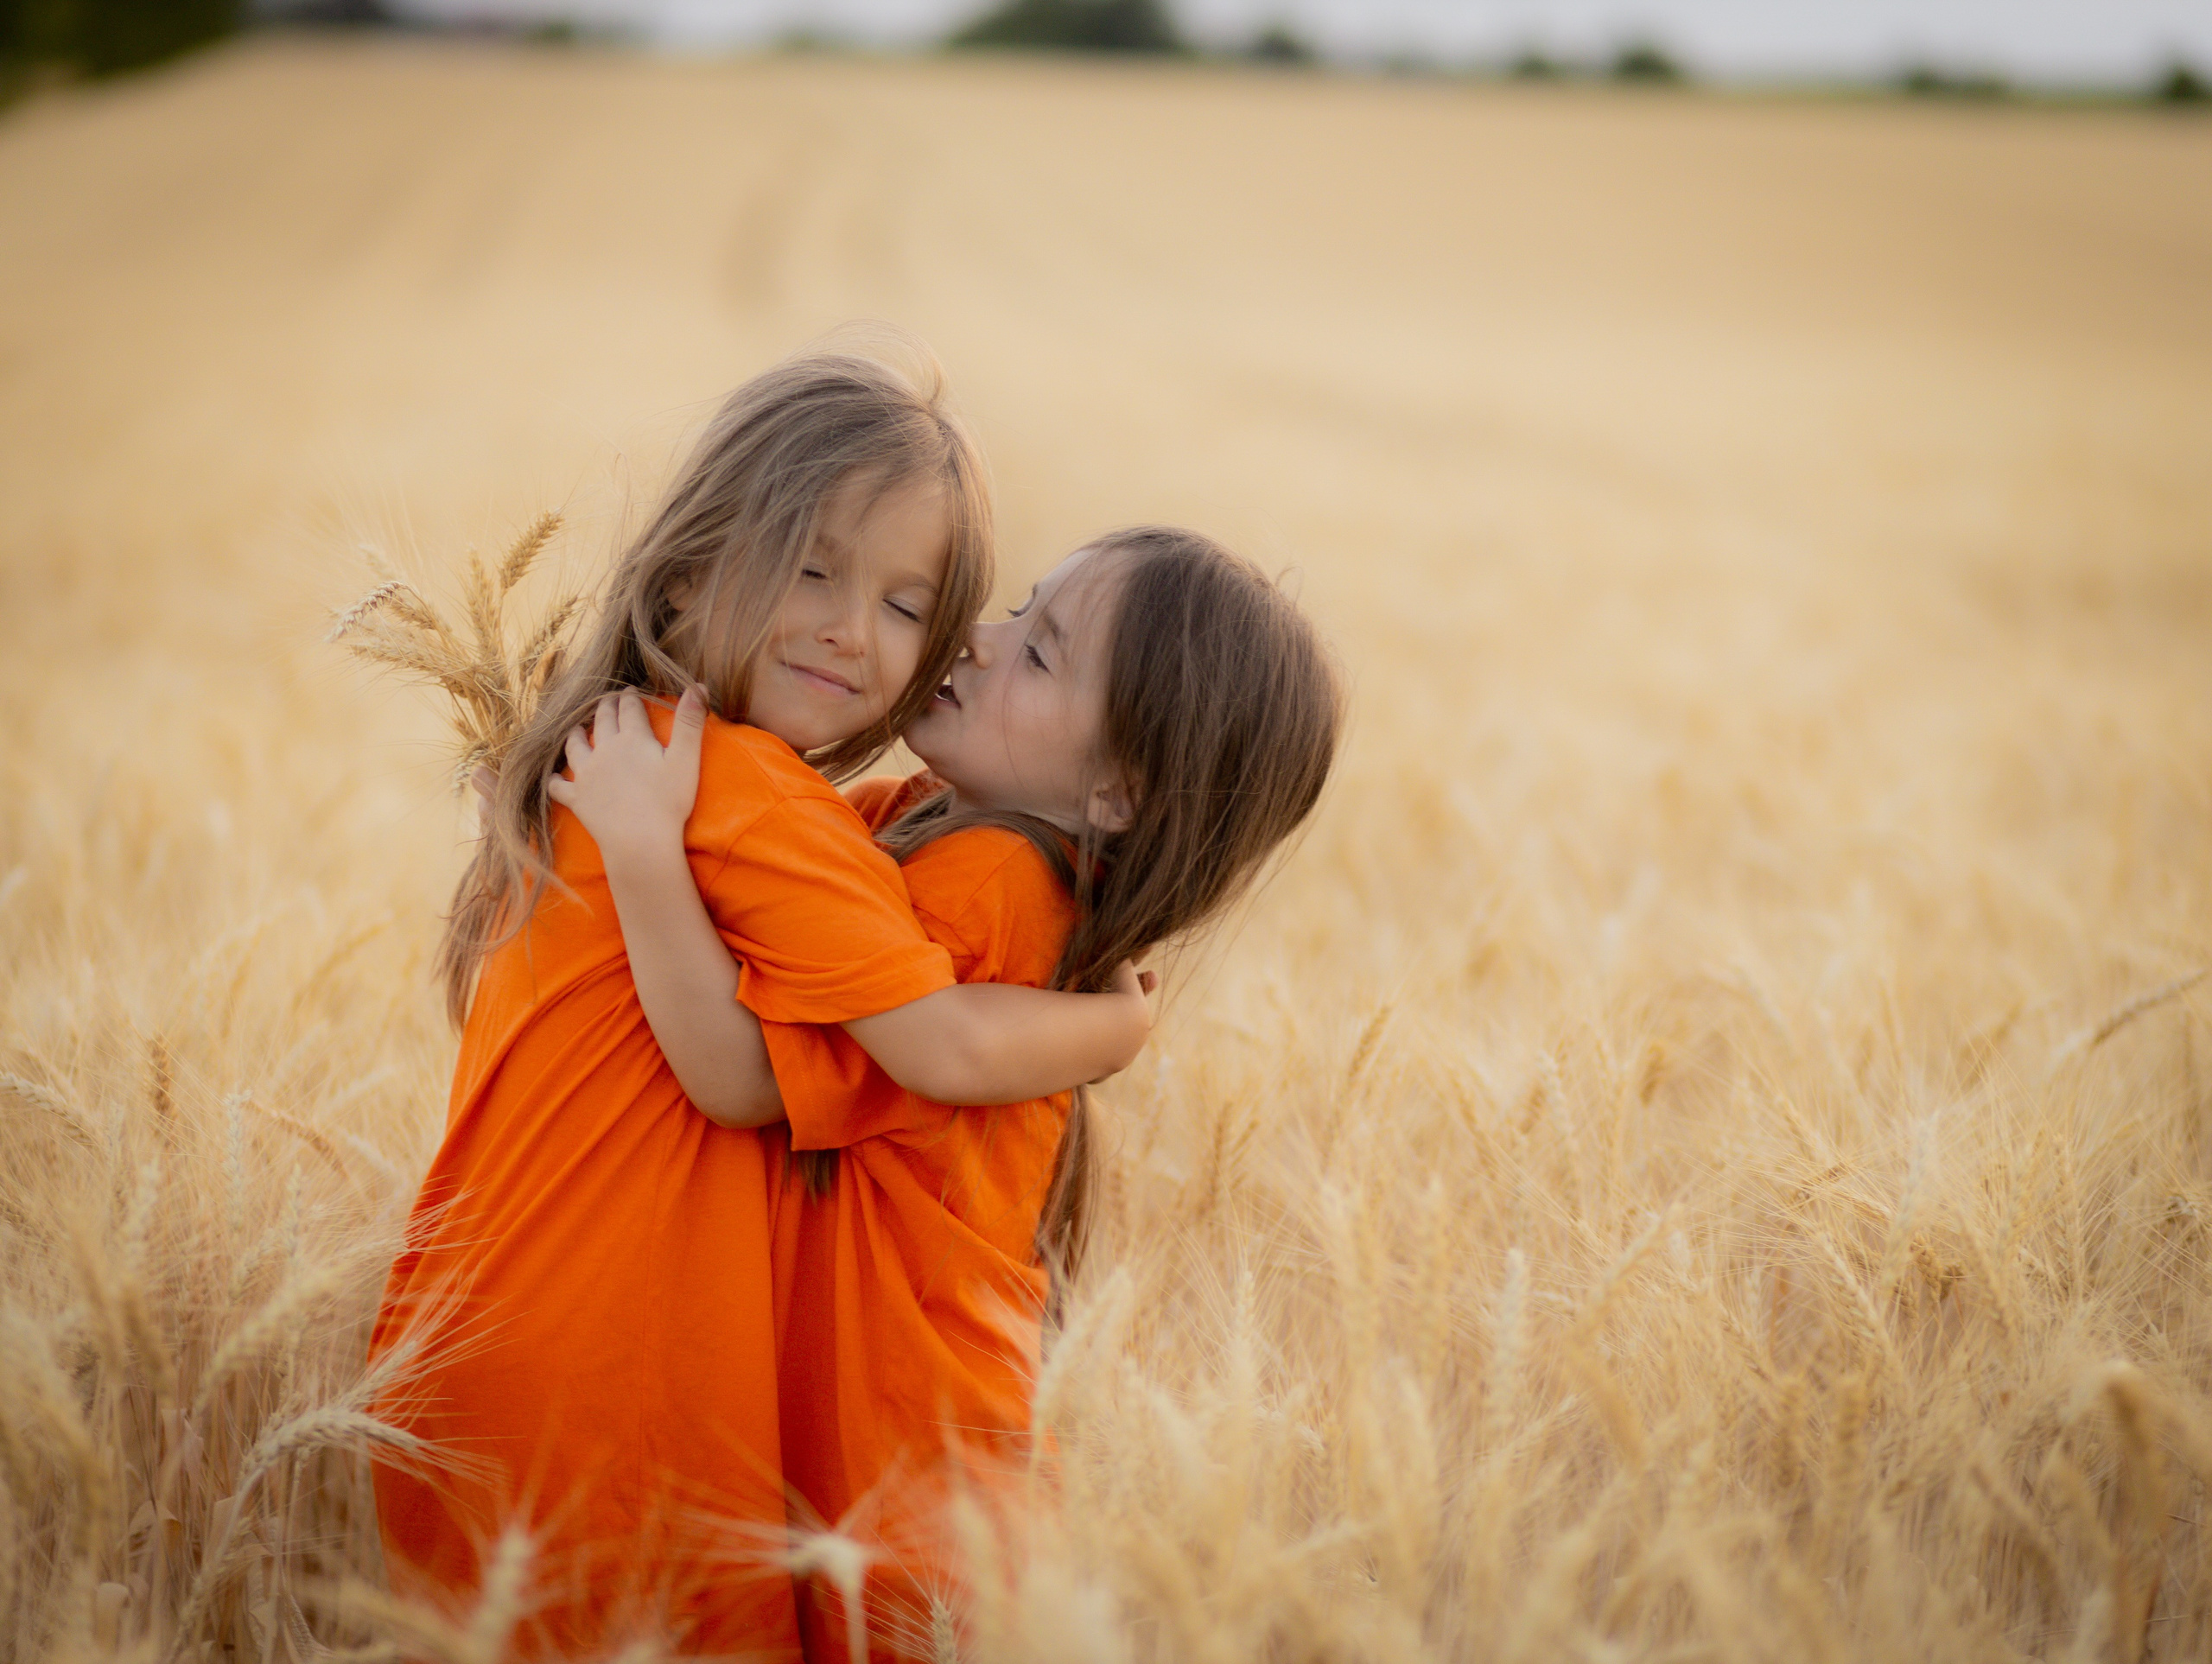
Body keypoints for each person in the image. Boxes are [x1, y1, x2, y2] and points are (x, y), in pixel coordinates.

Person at [369, 346, 1154, 1661]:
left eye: (909, 603)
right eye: (814, 569)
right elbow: (807, 1061)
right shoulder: (738, 797)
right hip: (626, 1370)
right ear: (686, 569)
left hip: (469, 1332)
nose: (857, 630)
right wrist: (1118, 1027)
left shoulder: (628, 760)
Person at [557, 525, 1344, 1661]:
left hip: (891, 1455)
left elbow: (736, 1074)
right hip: (922, 1438)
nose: (975, 640)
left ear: (1118, 790)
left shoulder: (993, 893)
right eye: (1017, 609)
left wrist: (634, 847)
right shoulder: (951, 828)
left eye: (1037, 654)